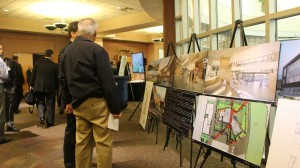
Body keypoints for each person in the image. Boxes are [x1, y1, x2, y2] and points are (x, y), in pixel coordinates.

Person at [59, 18, 122, 168]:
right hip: (97, 104)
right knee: (103, 143)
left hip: (78, 104)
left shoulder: (66, 51)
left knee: (82, 143)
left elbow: (62, 79)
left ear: (79, 31)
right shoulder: (97, 50)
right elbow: (108, 82)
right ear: (94, 33)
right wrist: (115, 108)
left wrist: (68, 102)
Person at [58, 21, 78, 168]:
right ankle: (70, 163)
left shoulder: (74, 48)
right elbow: (63, 80)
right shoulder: (67, 50)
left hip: (77, 97)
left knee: (78, 130)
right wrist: (68, 102)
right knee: (71, 130)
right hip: (72, 98)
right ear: (72, 33)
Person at [30, 49, 58, 128]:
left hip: (38, 86)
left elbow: (33, 75)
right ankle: (50, 122)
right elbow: (57, 78)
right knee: (50, 104)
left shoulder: (37, 63)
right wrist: (57, 87)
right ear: (51, 55)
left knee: (40, 102)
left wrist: (31, 85)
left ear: (45, 55)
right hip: (50, 87)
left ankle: (42, 117)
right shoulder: (55, 65)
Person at [0, 44, 12, 144]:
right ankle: (1, 136)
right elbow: (4, 75)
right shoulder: (0, 61)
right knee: (1, 110)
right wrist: (8, 72)